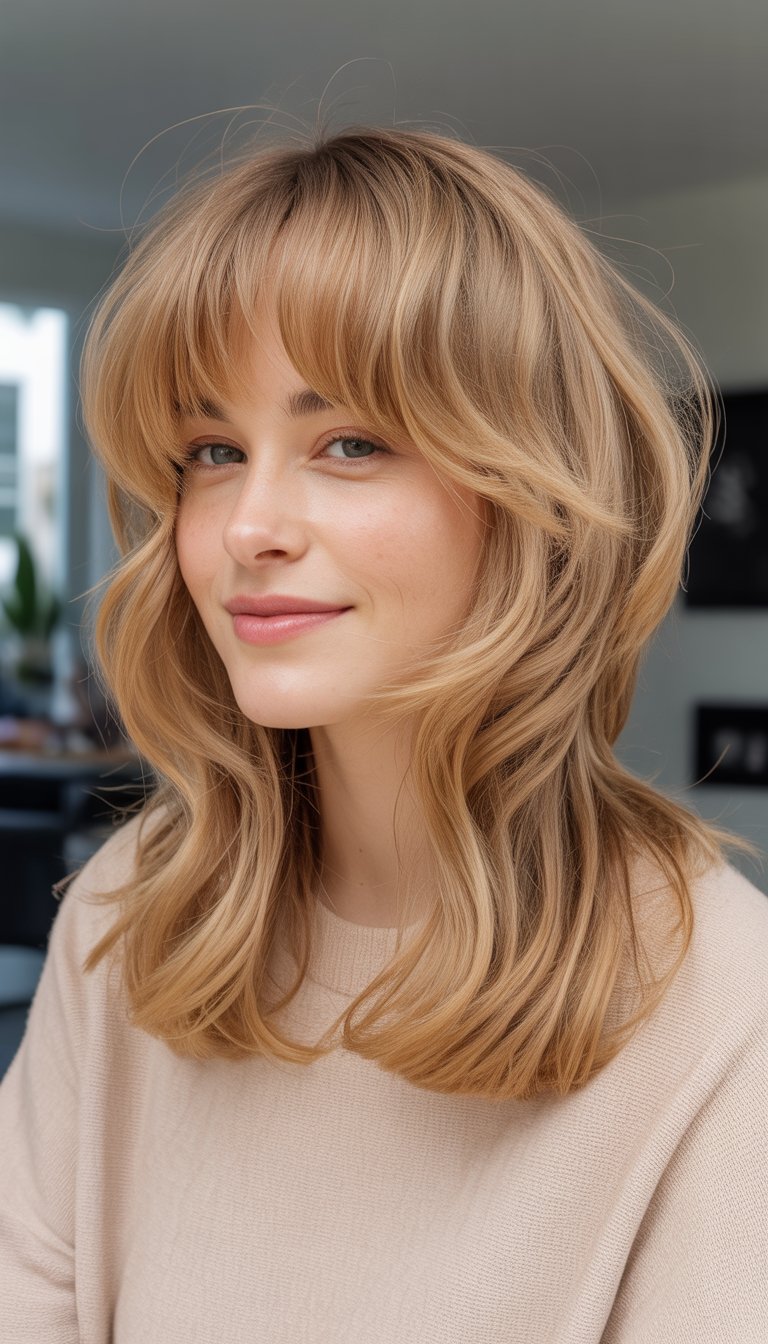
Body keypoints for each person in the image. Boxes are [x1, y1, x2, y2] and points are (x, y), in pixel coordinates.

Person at [0, 122, 766, 1343]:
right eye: (211, 451)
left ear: (532, 494)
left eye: (348, 442)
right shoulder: (128, 917)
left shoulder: (722, 999)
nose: (249, 524)